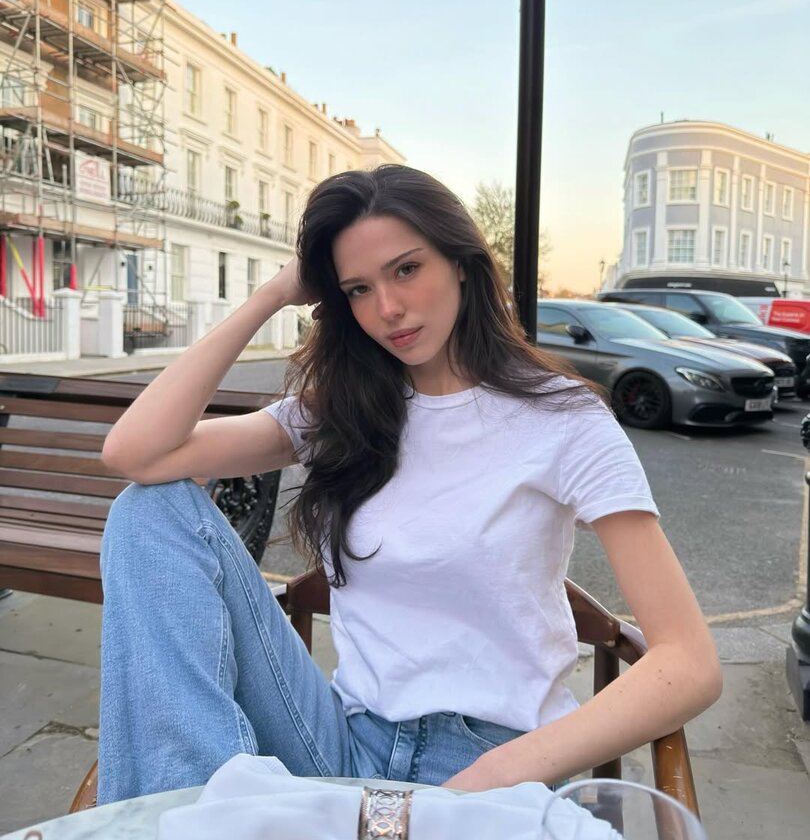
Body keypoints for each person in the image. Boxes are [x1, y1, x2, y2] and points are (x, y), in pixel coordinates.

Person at [97, 164, 722, 804]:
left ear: (460, 262)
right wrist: (273, 295)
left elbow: (689, 663)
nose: (388, 308)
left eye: (406, 269)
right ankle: (179, 818)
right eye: (358, 289)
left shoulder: (562, 419)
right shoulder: (344, 409)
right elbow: (136, 454)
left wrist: (494, 775)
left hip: (488, 760)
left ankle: (188, 826)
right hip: (341, 745)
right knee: (149, 514)